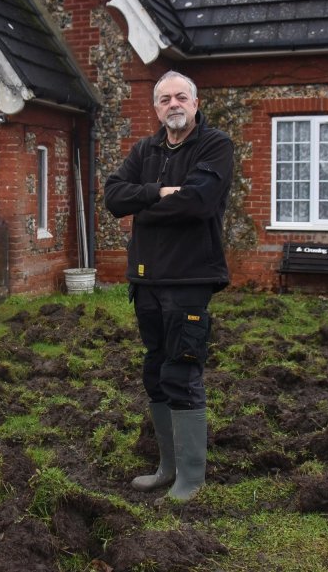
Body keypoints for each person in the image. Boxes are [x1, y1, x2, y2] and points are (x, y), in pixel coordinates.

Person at [103, 71, 234, 502]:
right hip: (147, 279)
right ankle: (168, 467)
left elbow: (198, 202)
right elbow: (113, 198)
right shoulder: (146, 149)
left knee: (181, 371)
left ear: (195, 103)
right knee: (155, 370)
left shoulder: (214, 146)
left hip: (190, 279)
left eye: (181, 97)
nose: (173, 104)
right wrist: (160, 193)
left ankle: (190, 481)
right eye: (164, 99)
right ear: (156, 108)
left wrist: (146, 206)